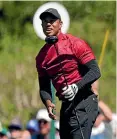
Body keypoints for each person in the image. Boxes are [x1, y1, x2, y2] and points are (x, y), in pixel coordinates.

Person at [36, 8, 101, 139]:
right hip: (66, 105)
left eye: (52, 21)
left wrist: (76, 86)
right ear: (42, 25)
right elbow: (44, 87)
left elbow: (95, 71)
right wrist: (48, 103)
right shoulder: (41, 57)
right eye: (45, 21)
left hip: (84, 100)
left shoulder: (75, 43)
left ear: (60, 24)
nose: (48, 24)